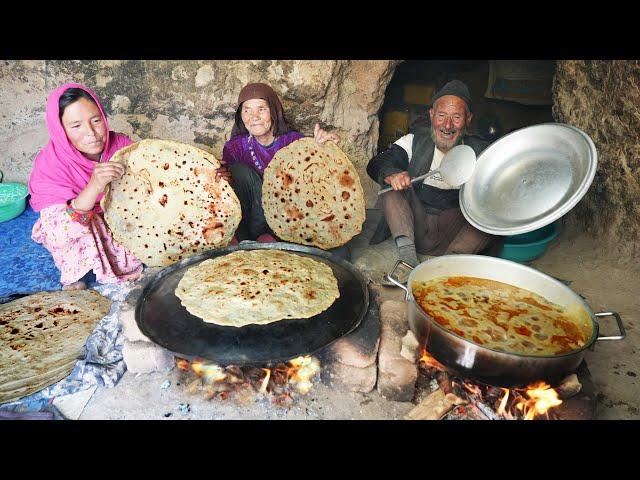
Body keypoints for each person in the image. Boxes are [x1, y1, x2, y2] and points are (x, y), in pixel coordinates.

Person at [366, 79, 497, 269]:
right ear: (431, 115)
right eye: (441, 115)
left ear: (468, 119)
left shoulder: (482, 152)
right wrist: (392, 174)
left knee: (492, 210)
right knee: (390, 188)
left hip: (457, 236)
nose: (447, 125)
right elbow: (378, 163)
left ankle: (449, 266)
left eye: (457, 117)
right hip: (417, 229)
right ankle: (407, 259)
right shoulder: (412, 142)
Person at [28, 83, 143, 290]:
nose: (91, 133)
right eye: (76, 126)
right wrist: (94, 186)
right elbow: (60, 224)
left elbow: (145, 186)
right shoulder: (50, 163)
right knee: (65, 228)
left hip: (116, 214)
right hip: (76, 219)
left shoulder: (121, 147)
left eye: (96, 120)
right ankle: (75, 276)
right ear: (60, 129)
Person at [219, 82, 340, 243]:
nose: (254, 117)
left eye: (261, 109)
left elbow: (316, 183)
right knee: (239, 172)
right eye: (247, 110)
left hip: (284, 218)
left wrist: (323, 150)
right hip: (247, 222)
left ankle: (273, 238)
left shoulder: (294, 143)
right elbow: (228, 193)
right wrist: (221, 178)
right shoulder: (235, 147)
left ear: (274, 112)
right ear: (241, 116)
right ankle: (240, 238)